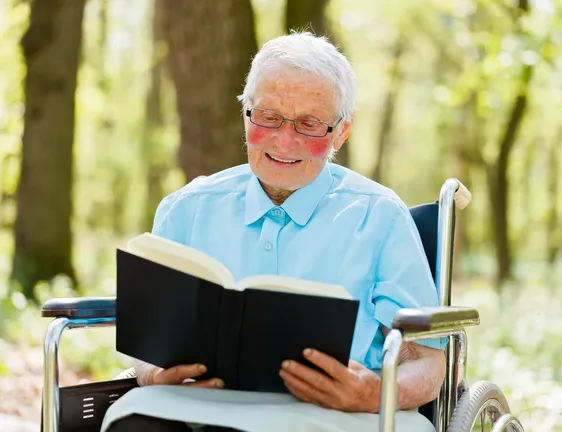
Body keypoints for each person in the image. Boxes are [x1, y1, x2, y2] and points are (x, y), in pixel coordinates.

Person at [101, 32, 445, 432]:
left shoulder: (381, 216)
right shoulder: (186, 209)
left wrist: (374, 393)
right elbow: (150, 345)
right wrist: (151, 372)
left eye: (309, 124)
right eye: (268, 117)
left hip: (335, 417)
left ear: (342, 131)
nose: (285, 140)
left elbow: (427, 363)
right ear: (246, 113)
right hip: (197, 408)